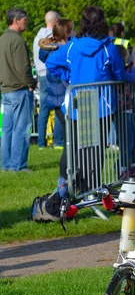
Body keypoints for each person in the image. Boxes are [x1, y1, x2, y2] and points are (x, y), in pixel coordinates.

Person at [46, 5, 135, 191]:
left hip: (77, 106)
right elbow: (121, 75)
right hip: (101, 107)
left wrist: (70, 78)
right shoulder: (109, 49)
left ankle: (75, 188)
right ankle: (90, 189)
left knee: (74, 149)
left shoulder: (73, 46)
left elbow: (50, 62)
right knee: (96, 151)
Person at [38, 19, 74, 190]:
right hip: (62, 101)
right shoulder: (58, 55)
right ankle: (64, 179)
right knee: (70, 141)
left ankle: (69, 178)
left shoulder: (54, 52)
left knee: (71, 140)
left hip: (60, 100)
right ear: (66, 34)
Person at [0, 8, 36, 172]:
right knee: (21, 129)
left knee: (7, 130)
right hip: (19, 89)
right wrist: (31, 82)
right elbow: (23, 68)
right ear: (16, 20)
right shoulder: (17, 41)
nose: (26, 22)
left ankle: (5, 164)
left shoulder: (2, 39)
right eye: (24, 19)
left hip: (6, 89)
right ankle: (17, 165)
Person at [33, 11, 62, 149]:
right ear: (56, 21)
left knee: (43, 110)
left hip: (41, 75)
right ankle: (59, 141)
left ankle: (41, 143)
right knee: (58, 107)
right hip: (53, 74)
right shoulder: (54, 37)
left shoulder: (38, 37)